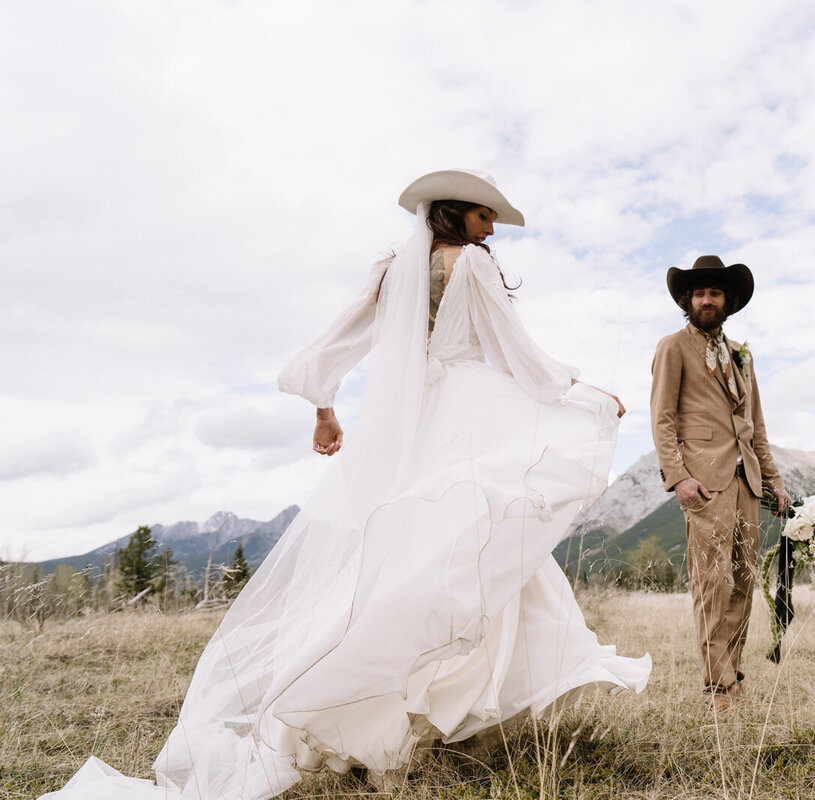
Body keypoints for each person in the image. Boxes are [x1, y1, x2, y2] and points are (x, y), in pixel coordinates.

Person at [41, 169, 651, 799]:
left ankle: (392, 713)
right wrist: (578, 392)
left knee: (407, 560)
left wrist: (323, 404)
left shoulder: (393, 268)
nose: (492, 228)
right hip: (465, 415)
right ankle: (427, 711)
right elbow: (515, 350)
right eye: (485, 215)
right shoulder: (473, 266)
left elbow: (338, 339)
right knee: (477, 549)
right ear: (458, 212)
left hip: (409, 425)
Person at [648, 255, 788, 712]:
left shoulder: (743, 355)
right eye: (699, 293)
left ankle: (735, 676)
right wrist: (678, 478)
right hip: (703, 484)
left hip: (747, 483)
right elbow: (663, 419)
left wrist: (774, 482)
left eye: (715, 293)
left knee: (744, 583)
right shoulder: (673, 347)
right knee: (712, 583)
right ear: (688, 300)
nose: (707, 300)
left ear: (727, 301)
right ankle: (717, 689)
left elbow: (756, 426)